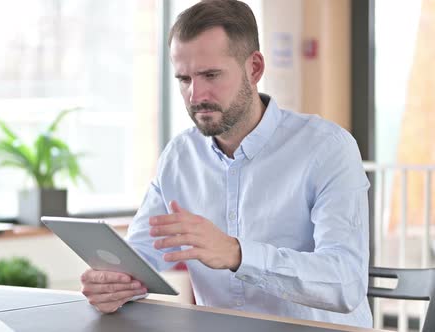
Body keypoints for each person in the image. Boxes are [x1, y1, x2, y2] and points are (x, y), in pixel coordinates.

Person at [80, 0, 372, 327]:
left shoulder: (327, 148)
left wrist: (237, 254)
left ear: (255, 68)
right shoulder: (180, 157)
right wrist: (114, 285)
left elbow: (346, 283)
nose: (195, 95)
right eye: (184, 79)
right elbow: (139, 260)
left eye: (211, 75)